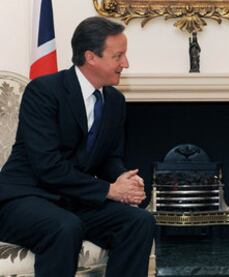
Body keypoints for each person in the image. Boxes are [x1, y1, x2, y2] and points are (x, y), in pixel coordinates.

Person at [0, 16, 155, 277]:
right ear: (91, 57)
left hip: (73, 199)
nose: (125, 64)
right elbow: (47, 166)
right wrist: (110, 190)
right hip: (24, 198)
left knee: (139, 221)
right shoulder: (44, 91)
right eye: (118, 56)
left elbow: (109, 157)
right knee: (64, 226)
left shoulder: (115, 101)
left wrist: (123, 180)